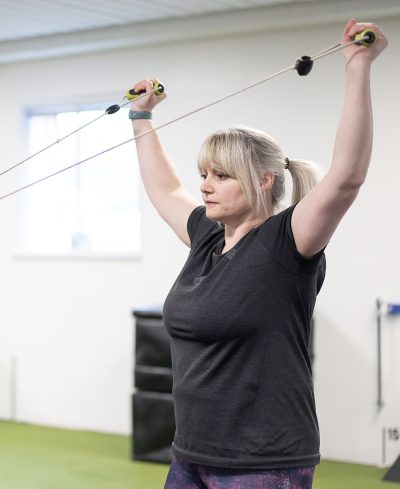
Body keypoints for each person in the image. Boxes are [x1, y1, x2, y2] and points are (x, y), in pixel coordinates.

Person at [129, 19, 387, 489]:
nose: (205, 185)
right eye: (204, 173)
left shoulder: (287, 242)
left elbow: (347, 176)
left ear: (264, 180)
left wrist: (358, 65)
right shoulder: (207, 236)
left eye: (221, 175)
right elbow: (165, 188)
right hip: (190, 455)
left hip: (263, 463)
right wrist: (141, 116)